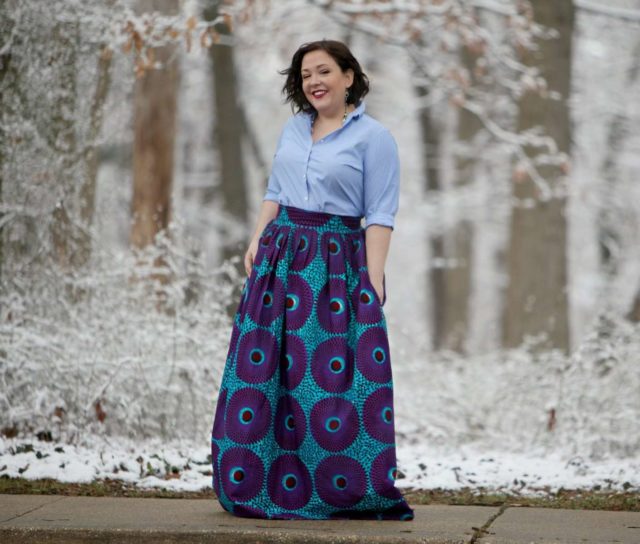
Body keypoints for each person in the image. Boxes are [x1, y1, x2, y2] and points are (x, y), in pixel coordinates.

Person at [210, 39, 414, 521]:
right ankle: (251, 482)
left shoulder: (374, 138)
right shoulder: (294, 128)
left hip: (335, 265)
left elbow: (380, 213)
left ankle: (343, 487)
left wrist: (374, 278)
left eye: (323, 71)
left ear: (349, 76)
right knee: (263, 371)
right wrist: (258, 239)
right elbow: (276, 190)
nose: (313, 82)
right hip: (279, 260)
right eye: (305, 76)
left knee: (328, 378)